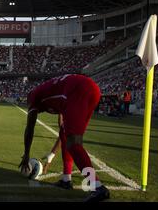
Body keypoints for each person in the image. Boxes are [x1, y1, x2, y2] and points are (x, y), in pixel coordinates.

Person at [19, 74, 110, 202]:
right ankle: (66, 179)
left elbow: (30, 128)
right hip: (90, 89)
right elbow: (62, 129)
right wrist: (52, 154)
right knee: (67, 136)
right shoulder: (53, 92)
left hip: (78, 91)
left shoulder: (34, 97)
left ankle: (97, 187)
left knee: (74, 143)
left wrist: (26, 154)